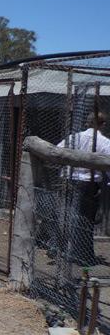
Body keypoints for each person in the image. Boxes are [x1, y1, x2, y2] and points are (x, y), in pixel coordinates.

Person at [57, 111, 110, 266]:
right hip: (88, 183)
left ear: (88, 123)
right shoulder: (104, 142)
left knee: (66, 215)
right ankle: (84, 256)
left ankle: (60, 249)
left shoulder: (74, 137)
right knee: (86, 219)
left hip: (68, 179)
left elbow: (57, 150)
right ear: (102, 124)